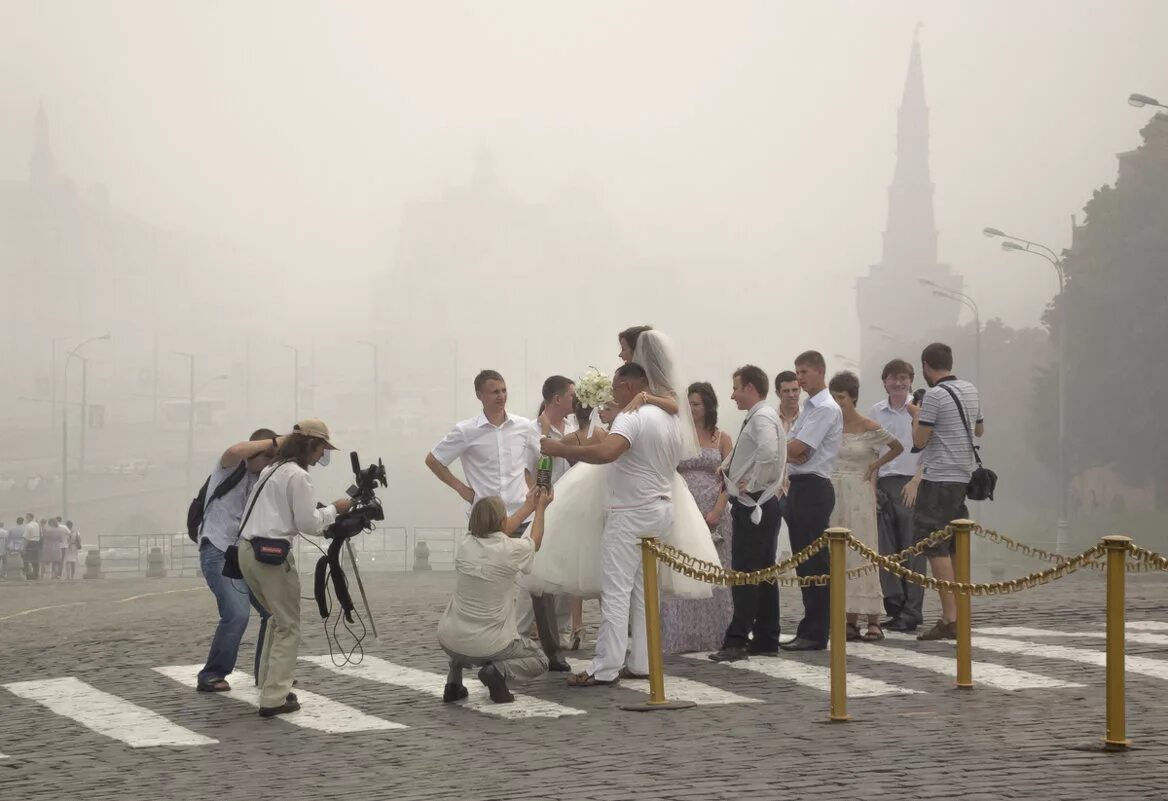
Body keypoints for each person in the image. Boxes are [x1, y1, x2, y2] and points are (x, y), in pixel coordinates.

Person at [541, 361, 683, 687]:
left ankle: (605, 667)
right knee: (644, 593)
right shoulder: (670, 418)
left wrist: (560, 448)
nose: (613, 396)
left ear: (630, 387)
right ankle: (643, 661)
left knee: (617, 592)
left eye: (616, 389)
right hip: (660, 508)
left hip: (630, 511)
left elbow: (608, 452)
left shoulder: (632, 417)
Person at [424, 370, 569, 671]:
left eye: (503, 390)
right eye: (494, 392)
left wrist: (539, 489)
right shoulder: (466, 430)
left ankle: (553, 652)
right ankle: (475, 651)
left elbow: (539, 459)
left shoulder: (523, 428)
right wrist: (462, 488)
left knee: (539, 585)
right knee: (484, 586)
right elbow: (434, 460)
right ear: (480, 395)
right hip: (487, 520)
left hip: (523, 513)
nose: (501, 396)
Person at [238, 419, 354, 717]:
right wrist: (335, 509)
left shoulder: (270, 469)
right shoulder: (298, 476)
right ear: (310, 446)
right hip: (271, 556)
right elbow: (308, 524)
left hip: (246, 551)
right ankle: (274, 697)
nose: (321, 456)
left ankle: (268, 683)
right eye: (321, 449)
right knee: (289, 626)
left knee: (278, 620)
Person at [438, 487, 554, 704]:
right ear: (502, 522)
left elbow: (497, 529)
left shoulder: (465, 544)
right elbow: (535, 541)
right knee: (540, 660)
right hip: (490, 645)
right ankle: (498, 671)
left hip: (450, 639)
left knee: (463, 630)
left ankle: (453, 683)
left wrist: (527, 506)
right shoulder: (509, 549)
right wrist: (539, 508)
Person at [709, 366, 787, 662]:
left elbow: (768, 453)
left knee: (745, 574)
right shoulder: (760, 416)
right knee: (764, 573)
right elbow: (751, 450)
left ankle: (737, 640)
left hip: (754, 503)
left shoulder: (762, 417)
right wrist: (728, 465)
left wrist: (752, 483)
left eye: (736, 388)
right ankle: (767, 635)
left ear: (751, 388)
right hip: (763, 504)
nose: (732, 394)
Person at [195, 428, 281, 693]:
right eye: (267, 458)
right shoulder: (230, 467)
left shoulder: (263, 480)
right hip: (218, 549)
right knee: (237, 614)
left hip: (243, 553)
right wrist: (281, 442)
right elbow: (234, 450)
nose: (268, 465)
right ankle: (212, 674)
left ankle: (266, 672)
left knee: (273, 613)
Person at [908, 343, 983, 642]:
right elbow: (979, 430)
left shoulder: (936, 395)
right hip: (962, 478)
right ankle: (960, 614)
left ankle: (950, 617)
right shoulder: (971, 390)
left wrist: (917, 414)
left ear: (927, 365)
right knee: (953, 546)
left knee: (934, 546)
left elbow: (920, 440)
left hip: (938, 478)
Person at [827, 371, 904, 642]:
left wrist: (874, 466)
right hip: (834, 492)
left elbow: (897, 447)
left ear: (853, 397)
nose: (838, 402)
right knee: (841, 555)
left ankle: (874, 619)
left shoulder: (868, 426)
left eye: (842, 397)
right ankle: (848, 617)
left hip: (859, 491)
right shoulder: (831, 426)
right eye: (834, 397)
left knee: (865, 551)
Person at [661, 382, 734, 654]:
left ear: (708, 406)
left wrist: (717, 510)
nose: (692, 409)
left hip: (714, 508)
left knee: (716, 570)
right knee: (683, 568)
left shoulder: (721, 437)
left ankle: (717, 633)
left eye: (696, 404)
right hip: (683, 508)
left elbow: (731, 479)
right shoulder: (679, 436)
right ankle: (680, 634)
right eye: (688, 404)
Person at [780, 351, 843, 652]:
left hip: (814, 487)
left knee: (815, 561)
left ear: (820, 371)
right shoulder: (808, 407)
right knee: (803, 562)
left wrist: (789, 449)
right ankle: (809, 626)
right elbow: (792, 450)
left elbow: (801, 448)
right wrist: (790, 450)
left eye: (804, 372)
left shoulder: (825, 409)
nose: (799, 378)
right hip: (798, 484)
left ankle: (818, 631)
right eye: (797, 372)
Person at [870, 358, 925, 632]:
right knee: (886, 550)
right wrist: (872, 488)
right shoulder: (875, 412)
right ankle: (895, 605)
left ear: (911, 381)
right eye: (893, 378)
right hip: (883, 484)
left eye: (903, 378)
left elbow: (931, 448)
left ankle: (913, 611)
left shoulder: (921, 408)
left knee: (913, 550)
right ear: (885, 382)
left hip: (912, 484)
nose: (899, 383)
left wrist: (917, 481)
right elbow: (872, 453)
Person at [526, 376, 578, 649]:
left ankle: (562, 628)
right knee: (538, 569)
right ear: (557, 399)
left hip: (571, 506)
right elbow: (527, 470)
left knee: (565, 570)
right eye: (572, 395)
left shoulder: (574, 427)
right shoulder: (533, 430)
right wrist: (535, 502)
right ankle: (528, 628)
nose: (576, 400)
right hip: (545, 507)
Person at [23, 513, 40, 579]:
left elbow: (26, 538)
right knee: (35, 560)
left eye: (27, 517)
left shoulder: (28, 525)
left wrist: (24, 547)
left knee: (27, 560)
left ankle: (28, 575)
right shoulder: (37, 524)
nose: (26, 519)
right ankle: (36, 574)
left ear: (30, 517)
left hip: (30, 543)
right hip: (37, 542)